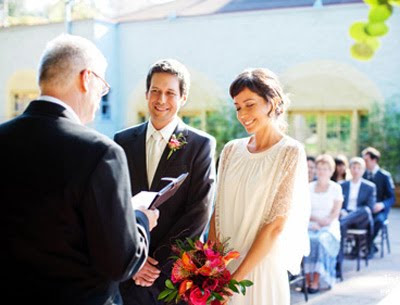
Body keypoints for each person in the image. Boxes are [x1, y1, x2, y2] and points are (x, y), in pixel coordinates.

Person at [0, 34, 159, 305]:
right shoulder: (99, 153)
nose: (99, 100)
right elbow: (120, 262)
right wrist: (141, 218)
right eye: (102, 88)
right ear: (87, 79)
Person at [114, 59, 216, 305]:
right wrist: (135, 259)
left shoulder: (200, 145)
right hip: (129, 274)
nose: (161, 100)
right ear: (147, 93)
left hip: (172, 276)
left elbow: (198, 212)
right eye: (156, 91)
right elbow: (114, 206)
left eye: (170, 93)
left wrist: (155, 262)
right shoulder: (122, 141)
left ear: (183, 98)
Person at [208, 68, 310, 305]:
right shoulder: (231, 150)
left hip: (260, 272)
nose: (242, 114)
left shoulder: (290, 152)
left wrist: (235, 281)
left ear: (271, 103)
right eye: (237, 107)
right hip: (223, 270)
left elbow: (275, 225)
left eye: (250, 104)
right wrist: (211, 268)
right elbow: (218, 212)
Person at [304, 154, 343, 293]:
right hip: (310, 222)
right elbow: (304, 210)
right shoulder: (308, 187)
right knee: (306, 240)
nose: (321, 171)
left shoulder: (336, 188)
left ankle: (316, 280)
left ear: (331, 171)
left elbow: (335, 212)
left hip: (329, 224)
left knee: (320, 240)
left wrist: (323, 223)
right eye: (319, 168)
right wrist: (314, 222)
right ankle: (307, 279)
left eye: (325, 168)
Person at [336, 157, 376, 278]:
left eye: (359, 168)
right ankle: (338, 266)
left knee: (365, 210)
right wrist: (342, 210)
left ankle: (343, 221)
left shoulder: (370, 186)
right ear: (350, 169)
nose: (356, 170)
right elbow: (338, 203)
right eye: (353, 167)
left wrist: (347, 215)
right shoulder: (342, 185)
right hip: (345, 218)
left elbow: (370, 207)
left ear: (363, 170)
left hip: (361, 219)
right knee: (341, 227)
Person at [362, 147, 396, 253]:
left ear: (374, 160)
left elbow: (392, 198)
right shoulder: (363, 175)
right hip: (366, 209)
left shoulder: (385, 176)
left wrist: (382, 205)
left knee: (378, 221)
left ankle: (367, 245)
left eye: (366, 160)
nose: (364, 163)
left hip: (380, 210)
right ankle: (367, 245)